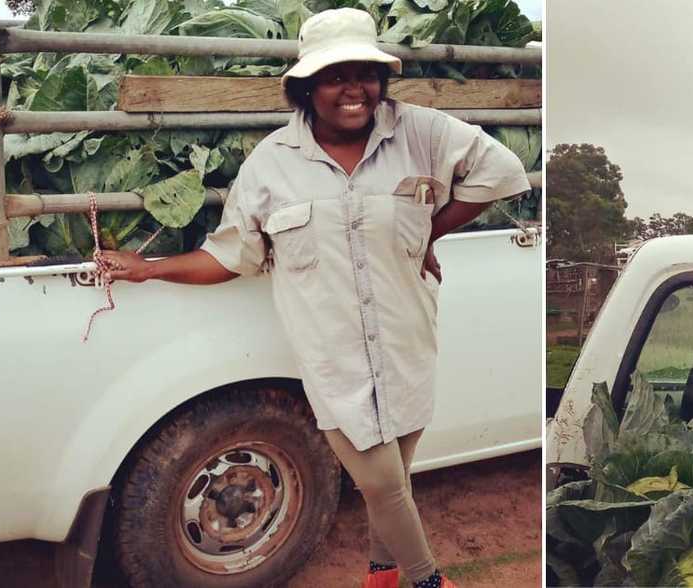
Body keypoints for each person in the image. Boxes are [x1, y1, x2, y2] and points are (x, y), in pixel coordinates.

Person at [103, 8, 530, 588]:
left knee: (393, 484)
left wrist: (430, 228)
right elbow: (232, 255)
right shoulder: (271, 165)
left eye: (365, 73)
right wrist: (148, 269)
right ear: (305, 88)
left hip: (407, 344)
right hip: (335, 364)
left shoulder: (422, 132)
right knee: (380, 484)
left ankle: (380, 577)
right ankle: (429, 581)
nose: (354, 89)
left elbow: (502, 173)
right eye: (334, 76)